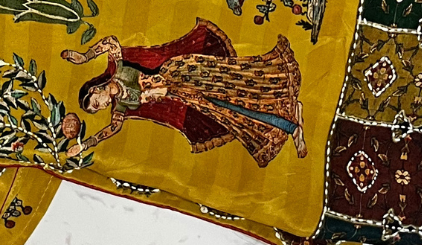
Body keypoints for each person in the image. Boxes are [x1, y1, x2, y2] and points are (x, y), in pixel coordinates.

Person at [64, 20, 305, 169]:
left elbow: (111, 42)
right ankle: (288, 123)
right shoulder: (121, 106)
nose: (101, 105)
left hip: (186, 72)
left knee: (236, 82)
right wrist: (85, 145)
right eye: (97, 109)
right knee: (231, 110)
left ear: (95, 89)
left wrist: (85, 57)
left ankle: (282, 93)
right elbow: (112, 129)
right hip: (185, 93)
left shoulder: (118, 69)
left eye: (96, 102)